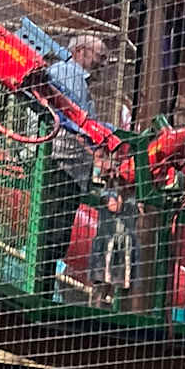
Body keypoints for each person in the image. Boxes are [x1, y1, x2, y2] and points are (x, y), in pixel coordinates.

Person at [40, 33, 108, 297]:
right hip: (61, 165)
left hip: (71, 171)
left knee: (57, 240)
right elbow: (72, 120)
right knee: (51, 237)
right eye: (100, 56)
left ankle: (44, 292)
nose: (104, 63)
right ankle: (41, 293)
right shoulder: (67, 74)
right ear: (80, 51)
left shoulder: (79, 82)